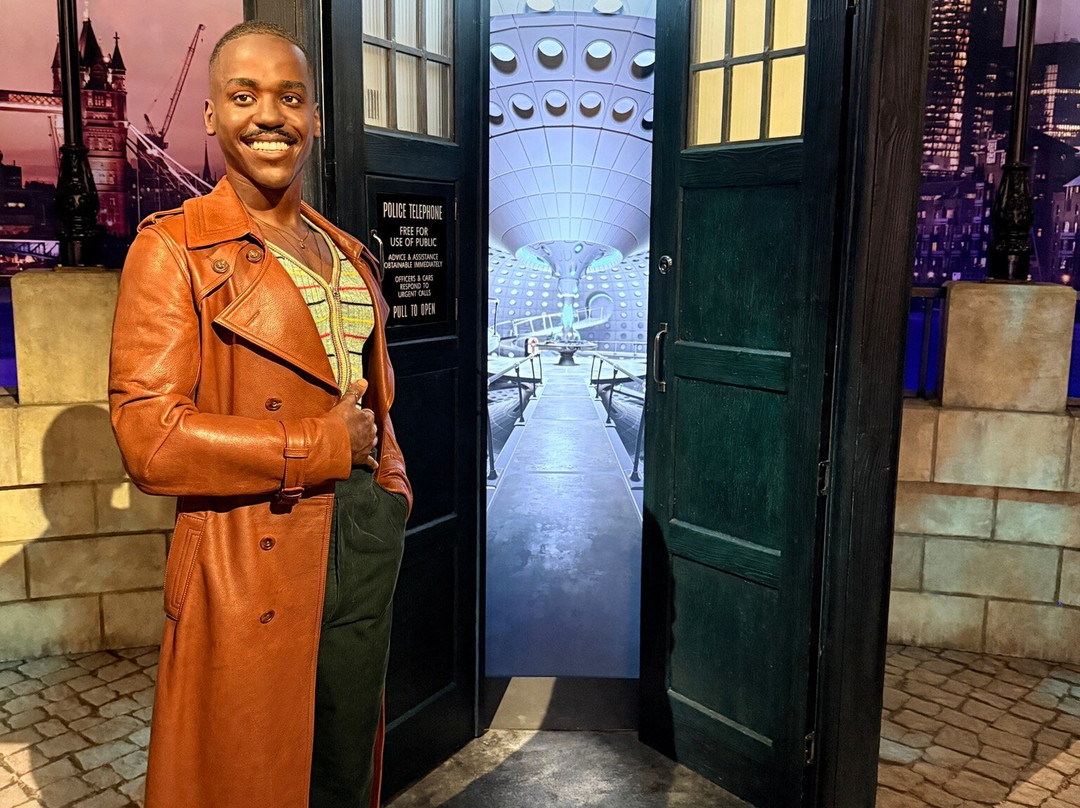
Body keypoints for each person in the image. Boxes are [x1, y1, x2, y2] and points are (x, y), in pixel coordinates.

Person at [108, 20, 412, 808]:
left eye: (290, 97)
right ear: (211, 114)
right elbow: (149, 440)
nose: (269, 115)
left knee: (343, 767)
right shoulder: (172, 249)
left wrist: (389, 487)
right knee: (253, 773)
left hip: (359, 531)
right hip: (248, 546)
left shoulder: (348, 252)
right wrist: (318, 444)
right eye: (244, 96)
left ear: (315, 117)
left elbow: (375, 392)